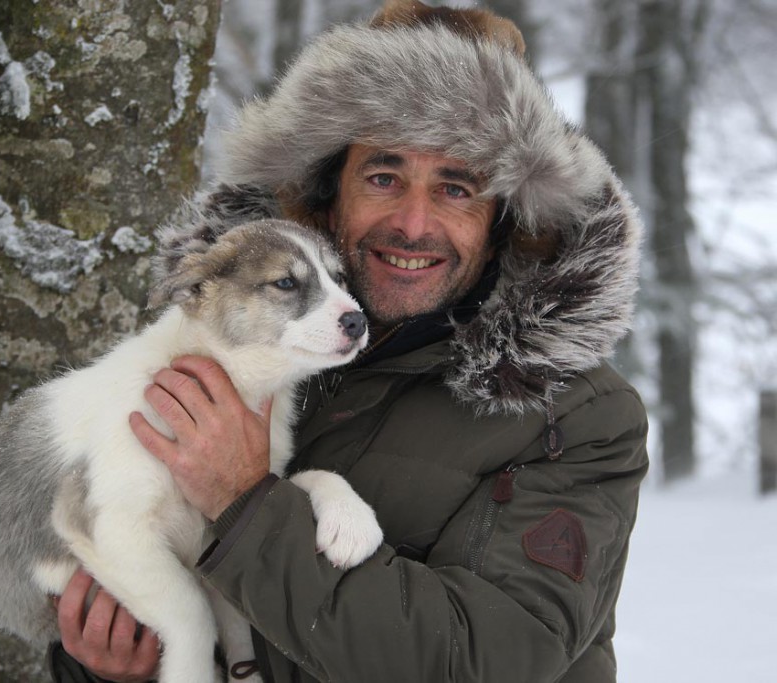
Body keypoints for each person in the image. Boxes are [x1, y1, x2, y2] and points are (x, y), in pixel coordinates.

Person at [49, 2, 649, 681]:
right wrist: (116, 665)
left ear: (505, 221)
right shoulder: (231, 357)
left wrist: (246, 503)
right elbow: (134, 567)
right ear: (325, 196)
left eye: (457, 188)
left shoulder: (579, 417)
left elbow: (487, 661)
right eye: (384, 178)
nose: (413, 224)